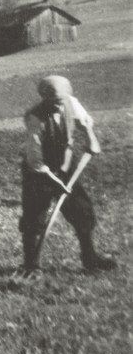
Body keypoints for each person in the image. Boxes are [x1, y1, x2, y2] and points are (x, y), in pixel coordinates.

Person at [20, 75, 115, 273]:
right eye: (54, 101)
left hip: (66, 165)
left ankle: (90, 258)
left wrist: (91, 138)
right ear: (44, 98)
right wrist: (54, 181)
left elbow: (83, 121)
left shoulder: (70, 101)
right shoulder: (34, 118)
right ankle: (31, 266)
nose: (59, 105)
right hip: (39, 174)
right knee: (34, 219)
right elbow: (35, 161)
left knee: (82, 211)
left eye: (61, 100)